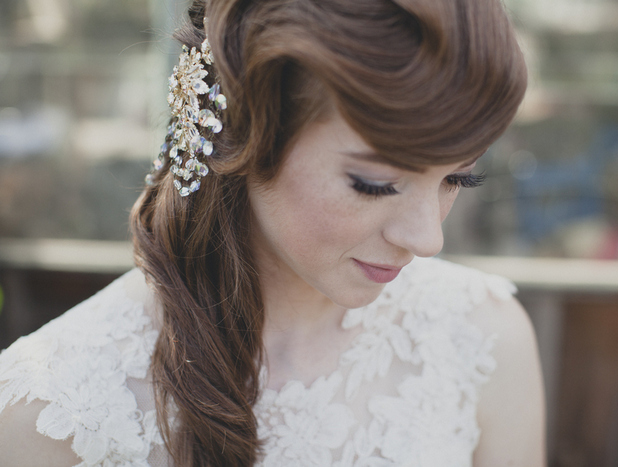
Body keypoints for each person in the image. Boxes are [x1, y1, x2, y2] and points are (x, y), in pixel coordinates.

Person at [0, 0, 545, 465]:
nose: (428, 240)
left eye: (457, 177)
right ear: (241, 133)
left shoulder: (482, 341)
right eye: (375, 184)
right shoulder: (48, 415)